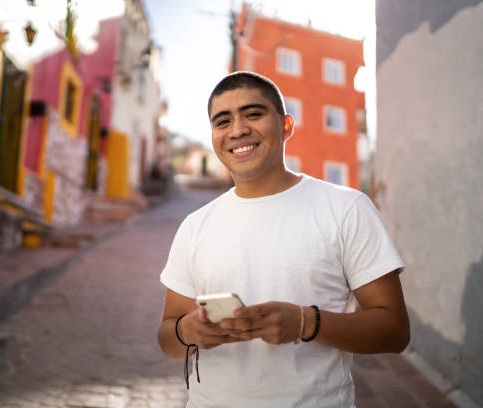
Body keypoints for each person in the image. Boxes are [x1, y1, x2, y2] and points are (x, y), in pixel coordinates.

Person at [157, 71, 410, 407]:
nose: (237, 130)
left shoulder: (347, 208)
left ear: (286, 126)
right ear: (214, 137)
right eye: (222, 121)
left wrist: (307, 322)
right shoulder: (194, 226)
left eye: (253, 114)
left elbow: (394, 331)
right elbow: (168, 338)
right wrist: (189, 332)